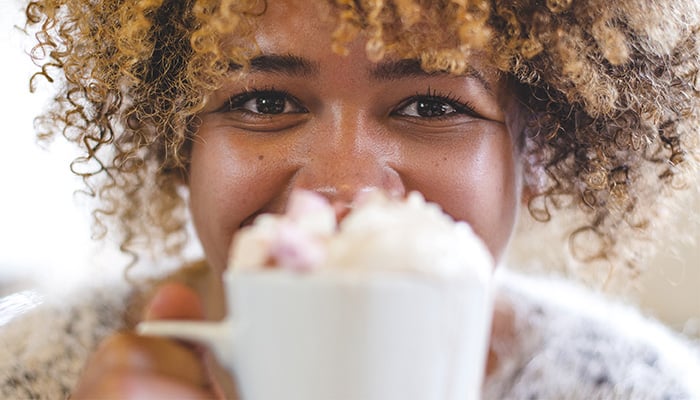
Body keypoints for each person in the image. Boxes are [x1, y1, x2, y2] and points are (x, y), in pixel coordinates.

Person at [2, 0, 700, 398]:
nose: (345, 186)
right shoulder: (30, 374)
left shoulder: (643, 391)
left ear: (534, 149)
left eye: (430, 105)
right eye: (264, 101)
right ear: (179, 144)